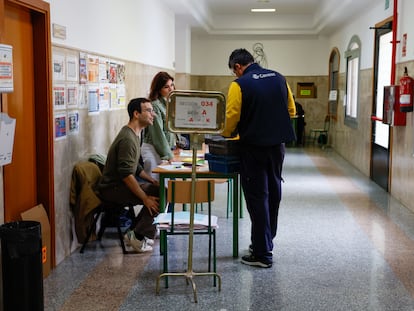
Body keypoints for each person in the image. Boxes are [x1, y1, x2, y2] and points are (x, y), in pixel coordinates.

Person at [222, 48, 296, 268]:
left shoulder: (240, 84)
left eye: (234, 72)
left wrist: (226, 134)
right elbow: (291, 110)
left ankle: (262, 254)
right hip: (277, 148)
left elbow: (232, 116)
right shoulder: (279, 78)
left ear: (237, 67)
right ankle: (265, 242)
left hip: (252, 148)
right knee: (274, 193)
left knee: (257, 197)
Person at [97, 97, 160, 253]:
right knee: (160, 195)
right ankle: (138, 235)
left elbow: (135, 167)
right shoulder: (128, 139)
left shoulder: (135, 134)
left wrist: (151, 180)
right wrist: (145, 199)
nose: (153, 115)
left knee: (161, 190)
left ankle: (138, 230)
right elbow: (126, 175)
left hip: (121, 185)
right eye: (149, 111)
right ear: (136, 114)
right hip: (113, 189)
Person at [142, 72, 184, 180]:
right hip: (153, 150)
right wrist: (169, 156)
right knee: (156, 185)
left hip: (164, 150)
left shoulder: (167, 103)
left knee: (167, 186)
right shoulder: (155, 105)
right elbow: (158, 134)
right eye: (166, 87)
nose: (171, 89)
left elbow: (173, 128)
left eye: (172, 85)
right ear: (158, 89)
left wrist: (178, 143)